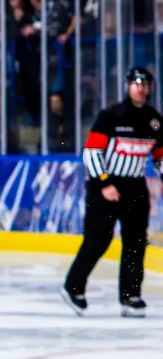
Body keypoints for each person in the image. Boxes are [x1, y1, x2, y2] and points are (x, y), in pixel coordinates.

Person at [62, 67, 163, 317]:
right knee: (98, 239)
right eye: (136, 83)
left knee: (136, 242)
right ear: (128, 86)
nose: (141, 88)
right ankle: (73, 287)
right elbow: (92, 152)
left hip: (135, 186)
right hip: (105, 185)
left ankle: (130, 295)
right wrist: (104, 183)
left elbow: (159, 156)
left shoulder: (154, 121)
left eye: (145, 83)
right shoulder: (111, 116)